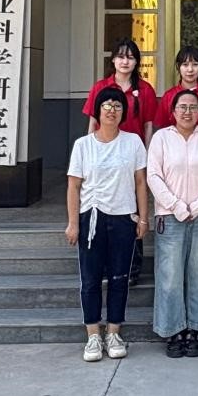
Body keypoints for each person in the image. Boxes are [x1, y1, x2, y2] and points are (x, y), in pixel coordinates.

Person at [65, 86, 148, 362]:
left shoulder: (133, 142)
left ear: (124, 112)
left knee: (119, 278)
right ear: (98, 111)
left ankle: (113, 333)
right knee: (90, 279)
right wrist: (73, 223)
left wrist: (143, 217)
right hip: (92, 217)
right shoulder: (83, 145)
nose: (112, 110)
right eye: (107, 105)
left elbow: (140, 182)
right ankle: (92, 335)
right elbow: (73, 186)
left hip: (124, 217)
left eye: (118, 105)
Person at [146, 89, 198, 358]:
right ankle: (173, 330)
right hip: (169, 216)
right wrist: (178, 206)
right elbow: (153, 176)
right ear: (173, 111)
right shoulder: (161, 138)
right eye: (182, 107)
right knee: (169, 277)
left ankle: (195, 329)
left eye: (193, 107)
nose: (187, 112)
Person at [83, 37, 157, 285]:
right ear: (113, 59)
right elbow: (92, 123)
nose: (125, 61)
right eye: (121, 56)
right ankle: (105, 267)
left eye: (131, 57)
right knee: (104, 210)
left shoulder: (145, 90)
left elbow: (148, 126)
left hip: (131, 158)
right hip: (103, 157)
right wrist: (89, 154)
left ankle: (131, 268)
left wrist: (145, 156)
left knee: (131, 212)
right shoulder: (100, 87)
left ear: (137, 62)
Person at [156, 45, 198, 132]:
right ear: (178, 67)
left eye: (195, 64)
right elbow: (160, 127)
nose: (190, 69)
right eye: (185, 65)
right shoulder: (169, 96)